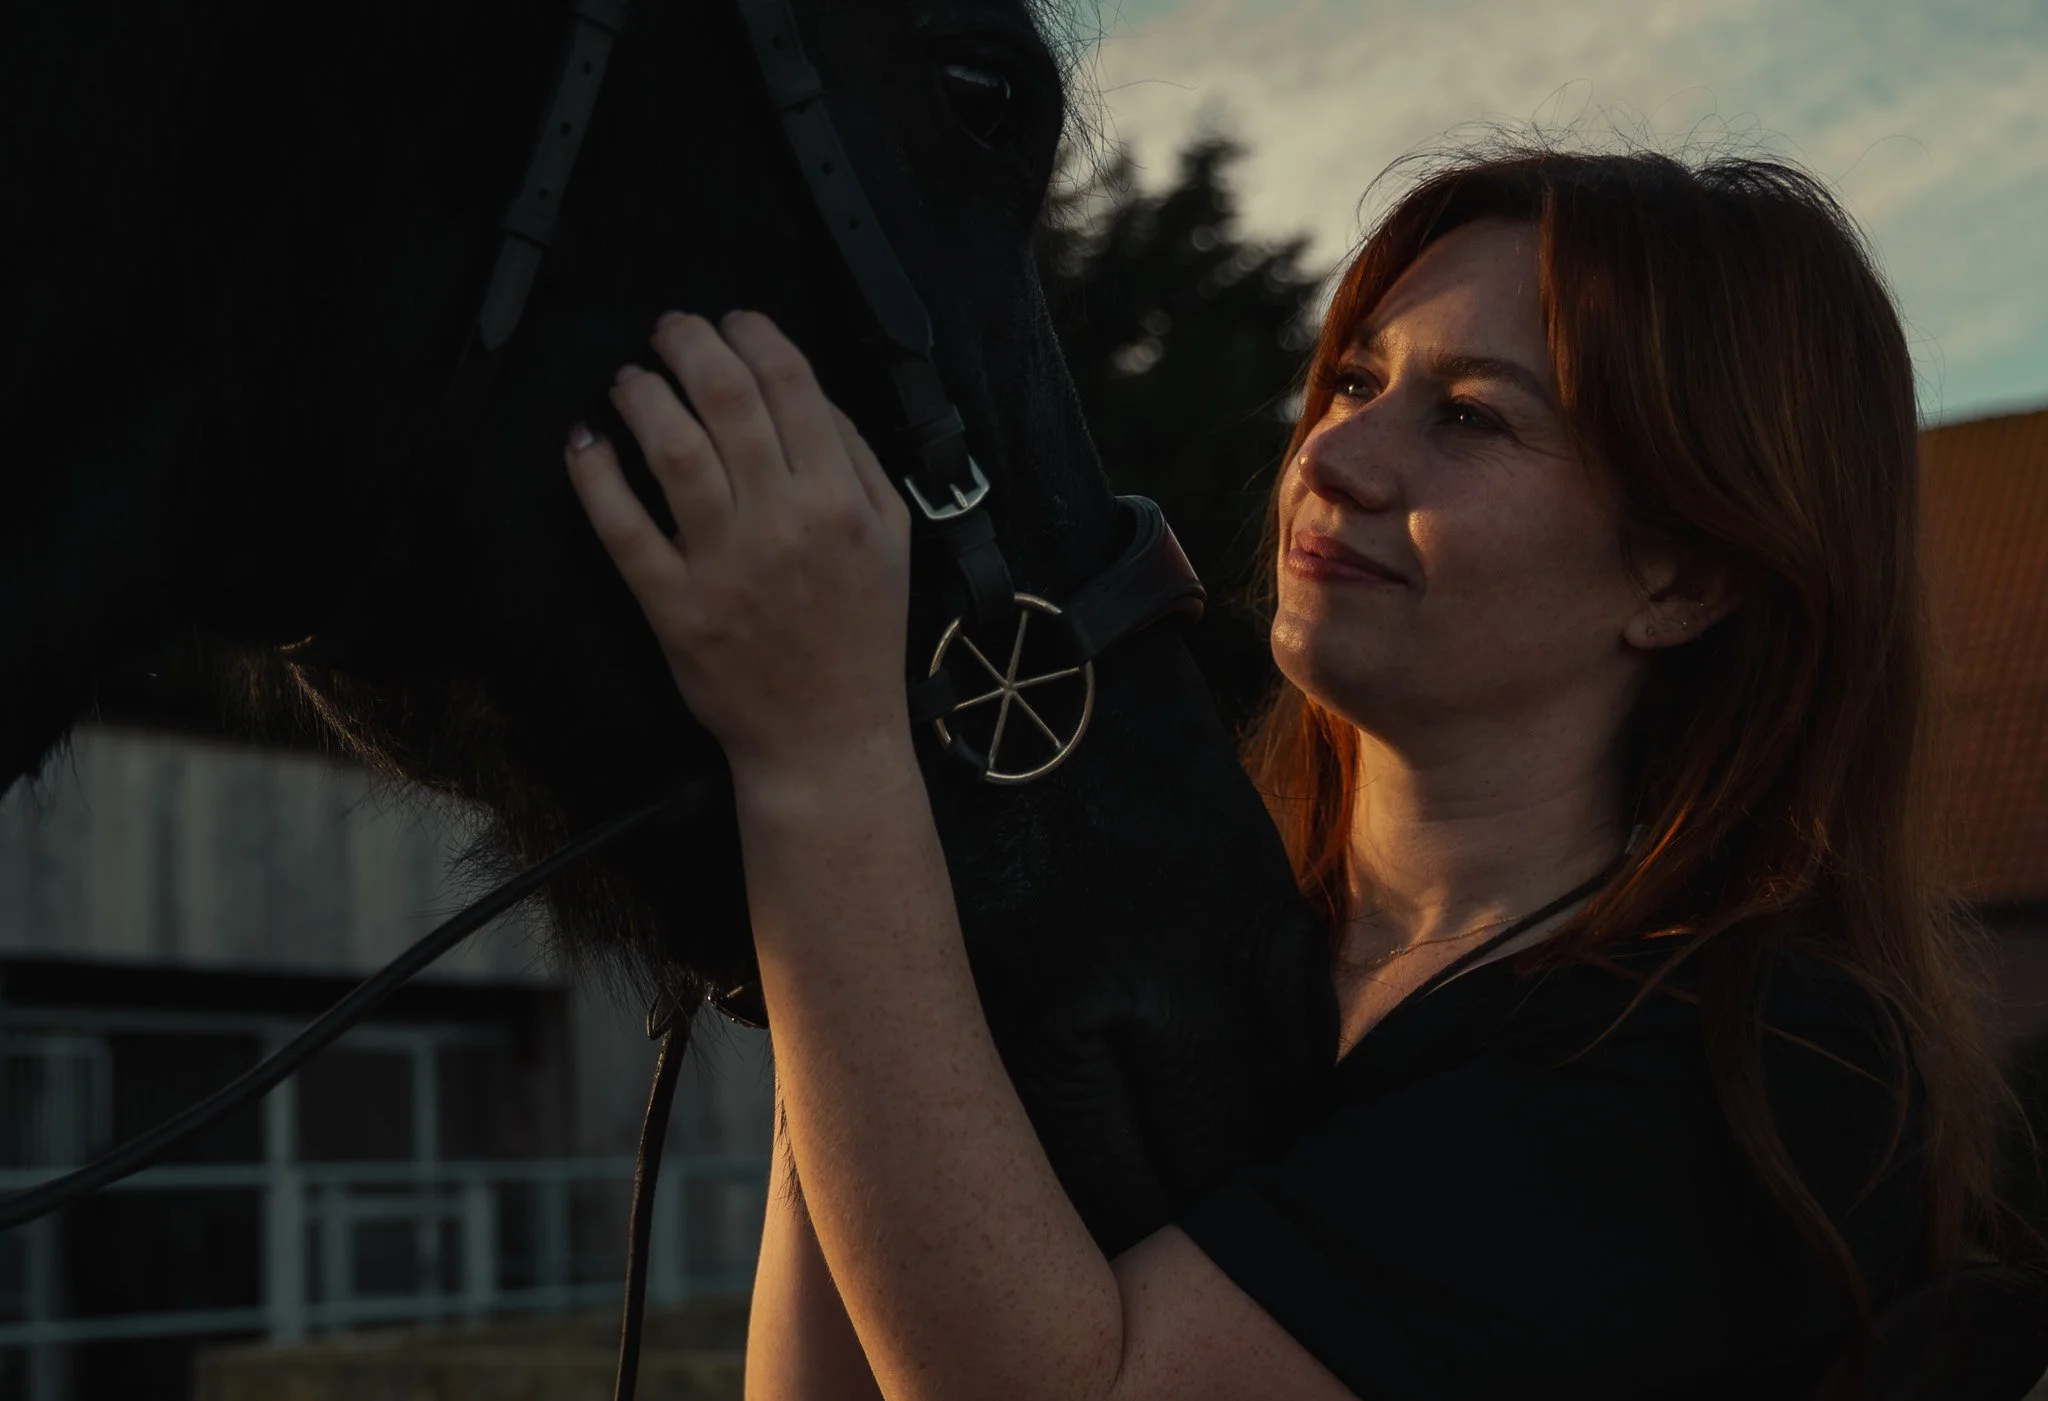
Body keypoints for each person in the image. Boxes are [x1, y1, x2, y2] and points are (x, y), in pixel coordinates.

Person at [561, 145, 2036, 1400]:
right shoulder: (1188, 944)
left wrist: (827, 765)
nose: (1336, 458)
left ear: (1686, 577)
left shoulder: (1750, 1065)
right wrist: (862, 859)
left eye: (1472, 418)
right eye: (1351, 379)